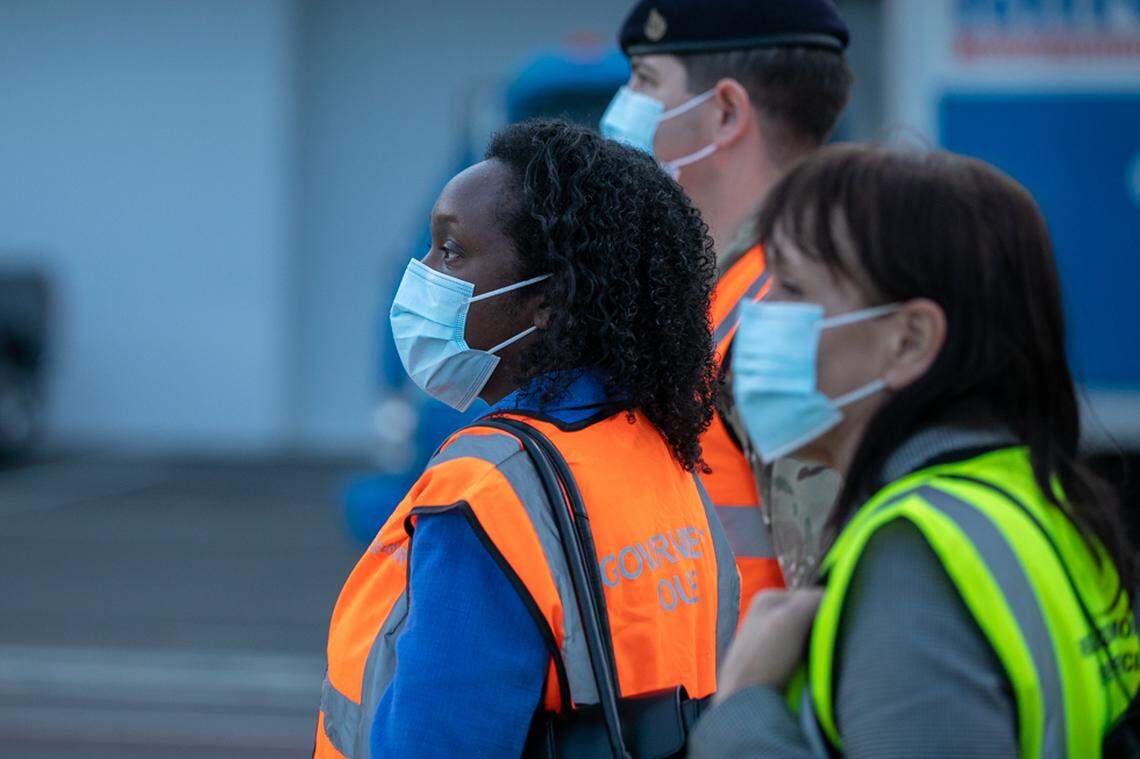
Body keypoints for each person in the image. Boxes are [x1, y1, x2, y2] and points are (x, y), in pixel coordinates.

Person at [686, 144, 1140, 756]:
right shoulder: (1033, 496)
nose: (762, 318)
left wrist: (741, 706)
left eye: (792, 287)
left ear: (909, 342)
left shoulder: (914, 555)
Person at [314, 119, 740, 758]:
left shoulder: (484, 495)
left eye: (450, 251)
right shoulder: (656, 446)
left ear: (545, 302)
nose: (420, 273)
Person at [601, 0, 853, 607]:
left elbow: (830, 593)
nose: (622, 105)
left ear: (725, 112)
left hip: (750, 696)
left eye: (645, 79)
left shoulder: (786, 311)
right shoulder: (731, 285)